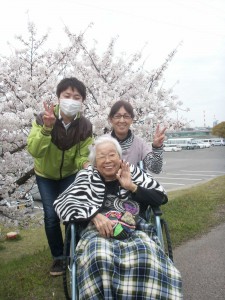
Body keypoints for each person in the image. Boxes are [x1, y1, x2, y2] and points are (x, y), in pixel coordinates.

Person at [54, 135, 183, 299]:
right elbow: (62, 203)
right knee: (99, 257)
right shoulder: (86, 176)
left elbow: (160, 197)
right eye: (101, 156)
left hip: (135, 230)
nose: (107, 160)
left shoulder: (132, 171)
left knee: (146, 255)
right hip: (97, 233)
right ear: (95, 161)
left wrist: (131, 186)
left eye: (112, 155)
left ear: (119, 156)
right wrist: (93, 215)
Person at [27, 77, 93, 276]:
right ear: (58, 98)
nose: (71, 100)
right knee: (51, 216)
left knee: (72, 214)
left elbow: (83, 154)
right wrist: (47, 128)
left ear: (82, 101)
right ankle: (58, 258)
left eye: (77, 97)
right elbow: (34, 151)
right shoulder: (43, 118)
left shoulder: (85, 126)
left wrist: (86, 164)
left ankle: (73, 253)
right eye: (67, 95)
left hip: (69, 175)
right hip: (45, 175)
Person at [108, 100, 166, 173]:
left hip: (134, 184)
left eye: (126, 116)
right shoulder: (102, 143)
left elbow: (155, 169)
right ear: (111, 119)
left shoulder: (140, 144)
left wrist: (157, 147)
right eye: (117, 116)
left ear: (132, 120)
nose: (122, 120)